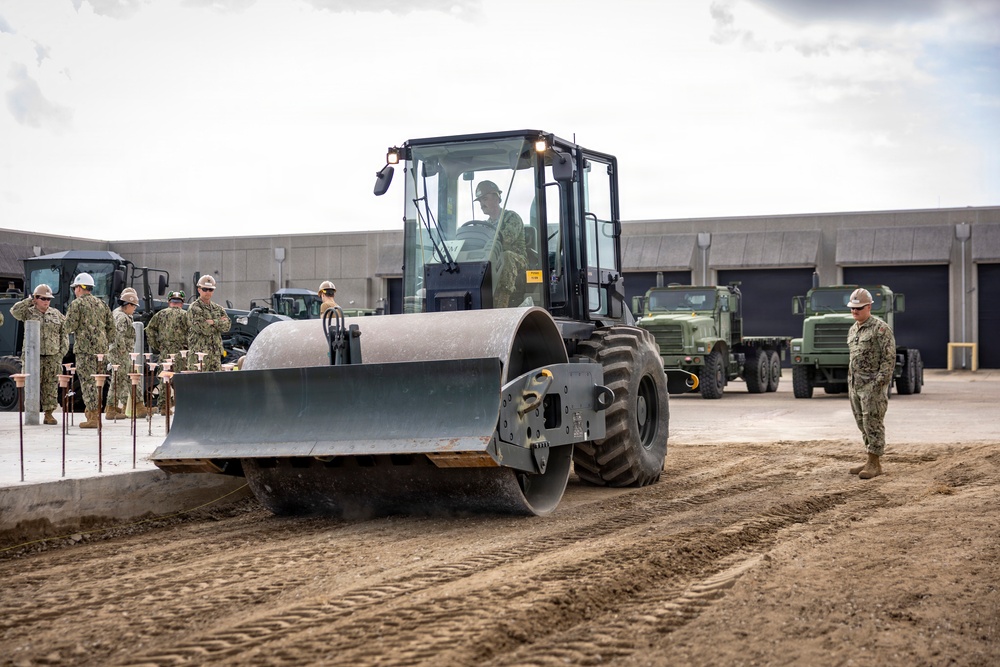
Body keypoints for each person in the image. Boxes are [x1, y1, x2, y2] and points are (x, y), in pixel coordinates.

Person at [847, 287, 896, 479]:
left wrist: (877, 384)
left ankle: (875, 464)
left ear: (869, 307)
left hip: (872, 387)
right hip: (855, 385)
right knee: (862, 423)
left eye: (858, 308)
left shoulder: (880, 329)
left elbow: (889, 359)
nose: (854, 311)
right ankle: (869, 459)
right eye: (852, 308)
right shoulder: (853, 329)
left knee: (873, 423)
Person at [10, 284, 69, 425]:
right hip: (33, 357)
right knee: (31, 385)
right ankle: (31, 412)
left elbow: (64, 333)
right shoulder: (28, 312)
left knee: (50, 386)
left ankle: (49, 414)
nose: (46, 301)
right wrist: (29, 301)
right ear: (36, 298)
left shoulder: (56, 314)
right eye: (43, 298)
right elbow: (14, 311)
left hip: (52, 355)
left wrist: (61, 353)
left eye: (48, 299)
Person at [63, 272, 115, 428]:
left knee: (87, 383)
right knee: (99, 382)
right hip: (102, 351)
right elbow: (111, 330)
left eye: (75, 288)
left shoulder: (77, 304)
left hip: (85, 352)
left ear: (79, 288)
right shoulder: (102, 304)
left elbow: (68, 327)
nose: (75, 291)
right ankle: (95, 412)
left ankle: (93, 417)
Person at [474, 180, 527, 308]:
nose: (482, 204)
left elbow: (506, 238)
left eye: (485, 199)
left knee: (506, 256)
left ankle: (502, 302)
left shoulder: (511, 218)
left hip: (517, 261)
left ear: (497, 198)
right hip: (492, 261)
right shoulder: (483, 225)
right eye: (480, 201)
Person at [146, 290, 189, 414]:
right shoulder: (186, 315)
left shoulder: (161, 314)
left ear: (169, 302)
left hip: (165, 351)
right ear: (182, 303)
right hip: (181, 352)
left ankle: (164, 406)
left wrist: (156, 345)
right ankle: (182, 405)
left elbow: (149, 330)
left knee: (165, 378)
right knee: (180, 379)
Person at [107, 287, 142, 420]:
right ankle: (111, 408)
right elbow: (118, 336)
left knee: (125, 380)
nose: (135, 309)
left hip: (120, 352)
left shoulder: (119, 314)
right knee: (118, 381)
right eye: (134, 306)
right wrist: (123, 351)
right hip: (120, 353)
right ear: (128, 305)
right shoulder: (121, 317)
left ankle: (137, 406)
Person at [187, 275, 230, 372]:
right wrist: (219, 323)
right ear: (199, 290)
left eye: (210, 289)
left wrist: (213, 322)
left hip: (215, 355)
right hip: (199, 355)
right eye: (205, 289)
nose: (207, 292)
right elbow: (203, 329)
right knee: (198, 383)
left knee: (216, 384)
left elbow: (227, 326)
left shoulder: (217, 308)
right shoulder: (194, 308)